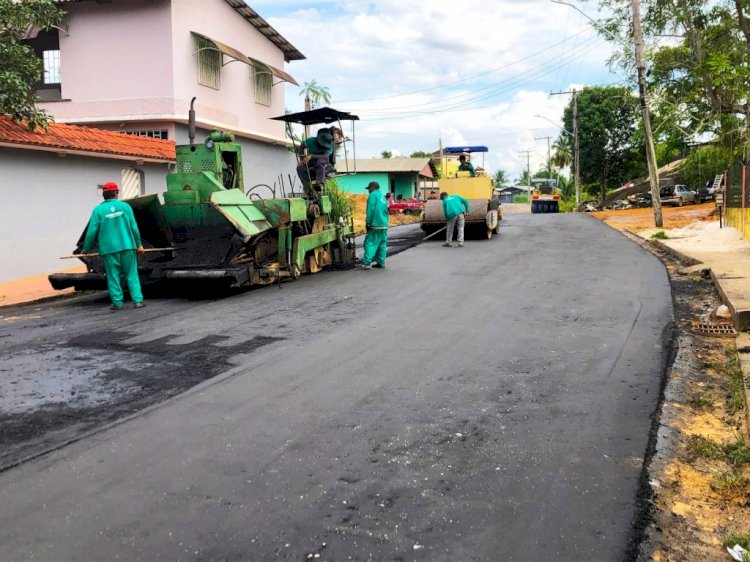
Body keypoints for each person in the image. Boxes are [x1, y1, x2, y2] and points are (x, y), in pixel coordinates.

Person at [81, 181, 145, 310]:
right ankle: (138, 301)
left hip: (109, 249)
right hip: (127, 246)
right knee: (131, 274)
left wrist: (85, 249)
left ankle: (117, 303)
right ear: (116, 193)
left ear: (104, 194)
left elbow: (91, 231)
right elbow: (134, 227)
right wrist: (139, 245)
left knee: (113, 276)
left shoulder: (98, 210)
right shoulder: (125, 207)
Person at [356, 181, 389, 269]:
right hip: (384, 224)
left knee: (369, 243)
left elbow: (370, 210)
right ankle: (381, 262)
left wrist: (368, 222)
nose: (368, 191)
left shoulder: (372, 195)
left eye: (369, 189)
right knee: (381, 244)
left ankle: (366, 263)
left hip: (376, 224)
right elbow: (386, 211)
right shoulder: (383, 196)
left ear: (372, 188)